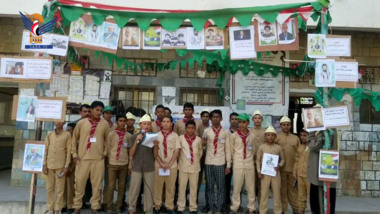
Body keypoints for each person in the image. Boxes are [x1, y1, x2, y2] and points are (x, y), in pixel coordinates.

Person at [71, 101, 110, 214]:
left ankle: (95, 207)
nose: (99, 112)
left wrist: (105, 153)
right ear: (91, 110)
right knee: (79, 184)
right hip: (82, 159)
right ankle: (77, 207)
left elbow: (108, 140)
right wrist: (74, 154)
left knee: (97, 185)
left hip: (98, 160)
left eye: (101, 111)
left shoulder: (104, 124)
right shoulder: (81, 123)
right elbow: (74, 139)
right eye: (97, 110)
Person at [203, 109, 231, 214]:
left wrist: (228, 165)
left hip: (220, 162)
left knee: (221, 187)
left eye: (217, 117)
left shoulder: (225, 133)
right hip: (209, 162)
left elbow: (228, 149)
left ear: (221, 118)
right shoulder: (206, 131)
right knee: (209, 186)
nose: (215, 119)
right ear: (210, 119)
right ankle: (211, 207)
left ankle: (219, 208)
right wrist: (203, 144)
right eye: (213, 117)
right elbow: (203, 147)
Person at [128, 114, 156, 214]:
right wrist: (137, 140)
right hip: (136, 166)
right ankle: (132, 209)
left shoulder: (153, 137)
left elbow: (155, 156)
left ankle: (148, 210)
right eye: (144, 124)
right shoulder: (133, 137)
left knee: (149, 190)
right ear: (140, 125)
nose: (147, 126)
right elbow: (131, 153)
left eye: (148, 124)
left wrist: (156, 146)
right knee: (134, 189)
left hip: (149, 167)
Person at [229, 113, 256, 214]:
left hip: (249, 164)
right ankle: (235, 207)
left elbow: (253, 150)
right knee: (237, 187)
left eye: (243, 122)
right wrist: (235, 160)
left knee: (250, 187)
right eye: (240, 122)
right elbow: (231, 150)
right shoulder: (234, 136)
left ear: (248, 123)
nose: (241, 124)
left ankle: (251, 208)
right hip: (238, 164)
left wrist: (248, 159)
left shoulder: (252, 136)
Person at [104, 114, 131, 214]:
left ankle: (119, 206)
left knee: (122, 186)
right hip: (112, 163)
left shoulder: (128, 136)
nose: (122, 123)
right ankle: (109, 206)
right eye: (120, 121)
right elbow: (107, 148)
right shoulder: (111, 134)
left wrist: (130, 165)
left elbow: (129, 150)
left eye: (124, 121)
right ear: (116, 122)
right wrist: (107, 160)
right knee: (110, 186)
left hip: (124, 163)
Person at [43, 121, 71, 214]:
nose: (58, 123)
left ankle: (57, 208)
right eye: (56, 121)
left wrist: (66, 166)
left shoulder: (67, 135)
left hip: (61, 166)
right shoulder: (49, 135)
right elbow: (45, 150)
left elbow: (68, 151)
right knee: (49, 188)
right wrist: (44, 164)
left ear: (64, 122)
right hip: (49, 165)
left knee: (60, 188)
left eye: (60, 121)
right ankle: (50, 208)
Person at [153, 115, 180, 214]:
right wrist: (161, 163)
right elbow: (154, 152)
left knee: (170, 187)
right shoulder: (156, 135)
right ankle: (157, 206)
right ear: (161, 123)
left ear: (171, 123)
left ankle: (169, 206)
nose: (165, 123)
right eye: (164, 121)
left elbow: (177, 151)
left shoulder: (175, 136)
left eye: (168, 121)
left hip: (171, 166)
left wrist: (169, 163)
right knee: (158, 186)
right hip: (158, 165)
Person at [307, 129, 338, 214]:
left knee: (319, 203)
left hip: (321, 173)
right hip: (321, 172)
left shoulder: (326, 131)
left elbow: (314, 146)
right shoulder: (330, 130)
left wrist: (311, 132)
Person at [256, 126, 285, 214]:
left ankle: (278, 211)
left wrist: (279, 166)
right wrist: (258, 171)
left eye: (272, 135)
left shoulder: (278, 147)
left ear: (275, 137)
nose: (270, 137)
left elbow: (283, 159)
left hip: (276, 173)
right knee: (264, 193)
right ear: (265, 136)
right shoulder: (261, 147)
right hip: (265, 174)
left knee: (276, 193)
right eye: (268, 135)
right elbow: (257, 160)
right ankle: (262, 211)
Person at [177, 120, 203, 214]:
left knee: (193, 187)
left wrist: (194, 160)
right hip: (183, 166)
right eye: (189, 128)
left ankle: (193, 207)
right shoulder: (180, 138)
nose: (191, 130)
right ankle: (180, 207)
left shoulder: (198, 139)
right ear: (186, 129)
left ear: (195, 129)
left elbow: (200, 152)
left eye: (192, 128)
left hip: (195, 167)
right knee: (182, 187)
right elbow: (178, 152)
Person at [276, 116, 300, 214]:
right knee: (282, 190)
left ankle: (296, 209)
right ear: (280, 126)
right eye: (284, 125)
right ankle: (282, 210)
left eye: (288, 125)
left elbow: (299, 154)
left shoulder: (296, 138)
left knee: (293, 190)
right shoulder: (276, 137)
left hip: (293, 170)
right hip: (280, 169)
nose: (286, 127)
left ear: (290, 125)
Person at [249, 110, 266, 207]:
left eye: (259, 118)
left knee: (262, 186)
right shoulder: (249, 131)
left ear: (262, 120)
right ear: (252, 120)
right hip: (251, 162)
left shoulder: (266, 132)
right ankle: (251, 207)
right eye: (255, 118)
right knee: (251, 185)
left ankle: (261, 207)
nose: (257, 120)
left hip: (263, 163)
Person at [293, 129, 310, 214]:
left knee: (311, 196)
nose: (302, 137)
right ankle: (301, 212)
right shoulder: (300, 146)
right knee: (301, 196)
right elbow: (296, 160)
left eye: (305, 135)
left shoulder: (312, 147)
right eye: (301, 135)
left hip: (309, 176)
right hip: (300, 175)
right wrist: (294, 171)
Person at [62, 123, 76, 214]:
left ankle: (70, 205)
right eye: (66, 130)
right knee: (62, 186)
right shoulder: (64, 141)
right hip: (63, 167)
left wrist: (71, 168)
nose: (67, 132)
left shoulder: (76, 143)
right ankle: (63, 204)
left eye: (69, 130)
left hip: (72, 168)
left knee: (71, 187)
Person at [225, 112, 239, 209]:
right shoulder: (226, 132)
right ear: (230, 120)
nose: (234, 121)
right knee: (227, 182)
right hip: (228, 161)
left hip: (238, 161)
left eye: (236, 119)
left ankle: (237, 203)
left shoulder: (241, 132)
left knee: (238, 184)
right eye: (232, 119)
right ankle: (227, 202)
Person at [198, 110, 210, 213]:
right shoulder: (198, 127)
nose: (205, 118)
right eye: (204, 116)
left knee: (209, 181)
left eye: (207, 116)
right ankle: (195, 200)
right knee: (196, 181)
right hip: (199, 158)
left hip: (209, 158)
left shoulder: (211, 129)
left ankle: (208, 203)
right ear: (201, 117)